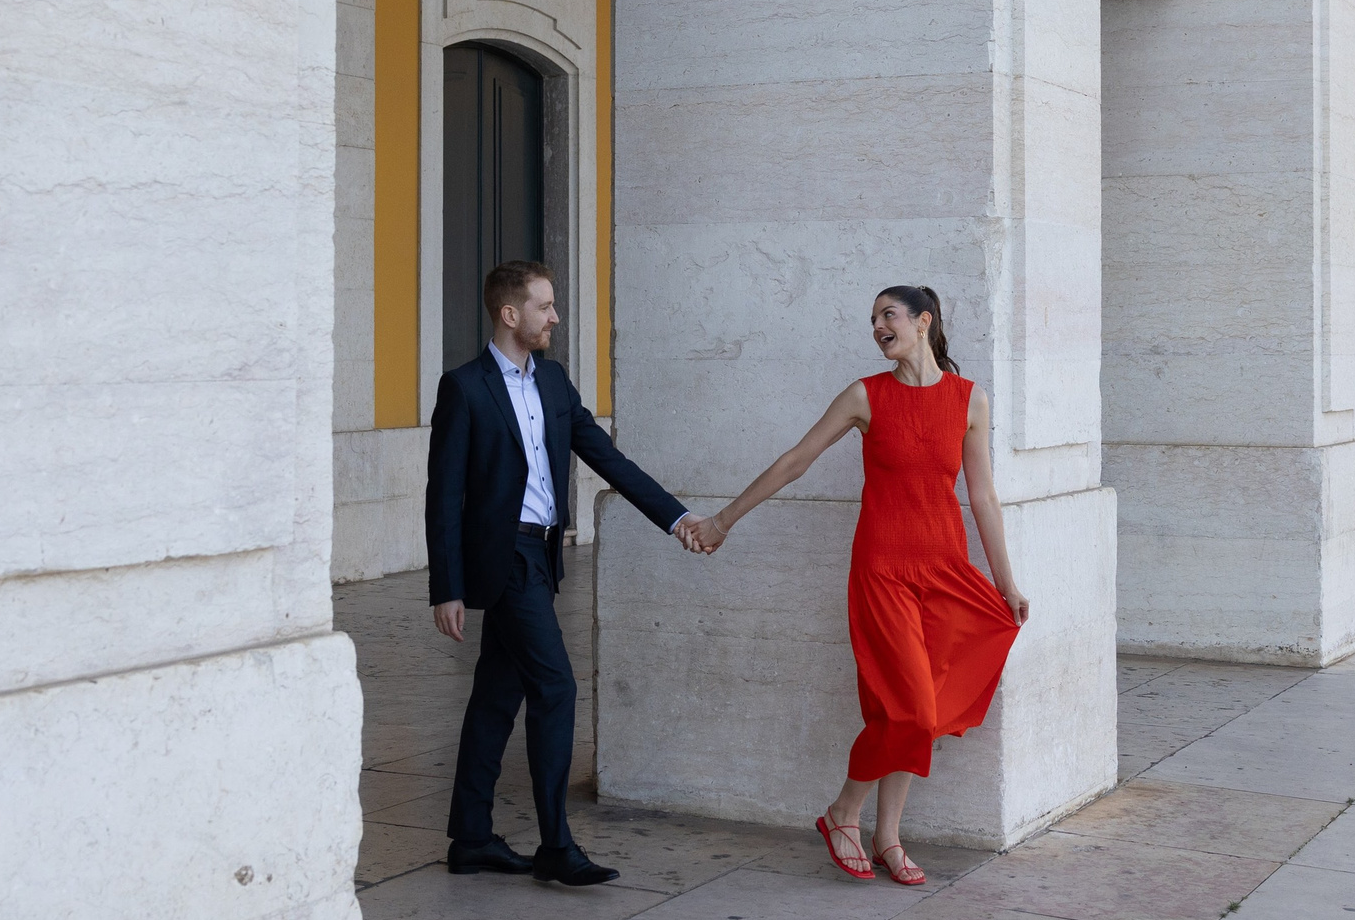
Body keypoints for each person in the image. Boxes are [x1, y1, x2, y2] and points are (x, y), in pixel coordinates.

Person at [686, 286, 1026, 886]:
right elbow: (795, 461)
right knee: (911, 708)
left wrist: (1005, 582)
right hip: (884, 570)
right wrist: (722, 521)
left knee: (917, 711)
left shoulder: (969, 399)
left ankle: (887, 835)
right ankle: (845, 810)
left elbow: (982, 496)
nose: (876, 326)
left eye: (887, 315)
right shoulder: (865, 396)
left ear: (923, 322)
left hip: (945, 570)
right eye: (872, 319)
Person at [426, 259, 714, 886]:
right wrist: (446, 587)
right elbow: (443, 495)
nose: (555, 317)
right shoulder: (465, 388)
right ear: (510, 314)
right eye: (544, 306)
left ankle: (471, 838)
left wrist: (677, 517)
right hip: (504, 560)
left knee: (496, 697)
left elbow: (608, 458)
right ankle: (555, 845)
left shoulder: (554, 382)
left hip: (542, 555)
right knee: (555, 688)